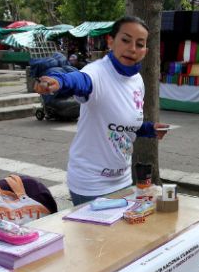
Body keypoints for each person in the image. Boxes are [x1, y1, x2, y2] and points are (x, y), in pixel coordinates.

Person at [34, 16, 169, 206]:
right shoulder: (97, 72)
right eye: (125, 40)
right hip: (91, 185)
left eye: (139, 44)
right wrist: (60, 81)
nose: (132, 48)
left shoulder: (137, 80)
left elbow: (123, 125)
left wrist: (149, 129)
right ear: (110, 41)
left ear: (145, 51)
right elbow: (79, 80)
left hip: (122, 179)